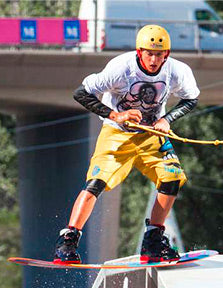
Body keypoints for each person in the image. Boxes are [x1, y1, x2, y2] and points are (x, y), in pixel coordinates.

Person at [55, 24, 200, 265]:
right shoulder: (121, 68)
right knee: (96, 183)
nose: (154, 60)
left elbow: (191, 98)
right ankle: (68, 240)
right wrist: (115, 115)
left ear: (167, 53)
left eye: (159, 54)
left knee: (172, 178)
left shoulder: (177, 70)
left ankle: (153, 239)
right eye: (149, 54)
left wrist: (167, 119)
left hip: (151, 134)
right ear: (139, 51)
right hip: (116, 133)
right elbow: (81, 93)